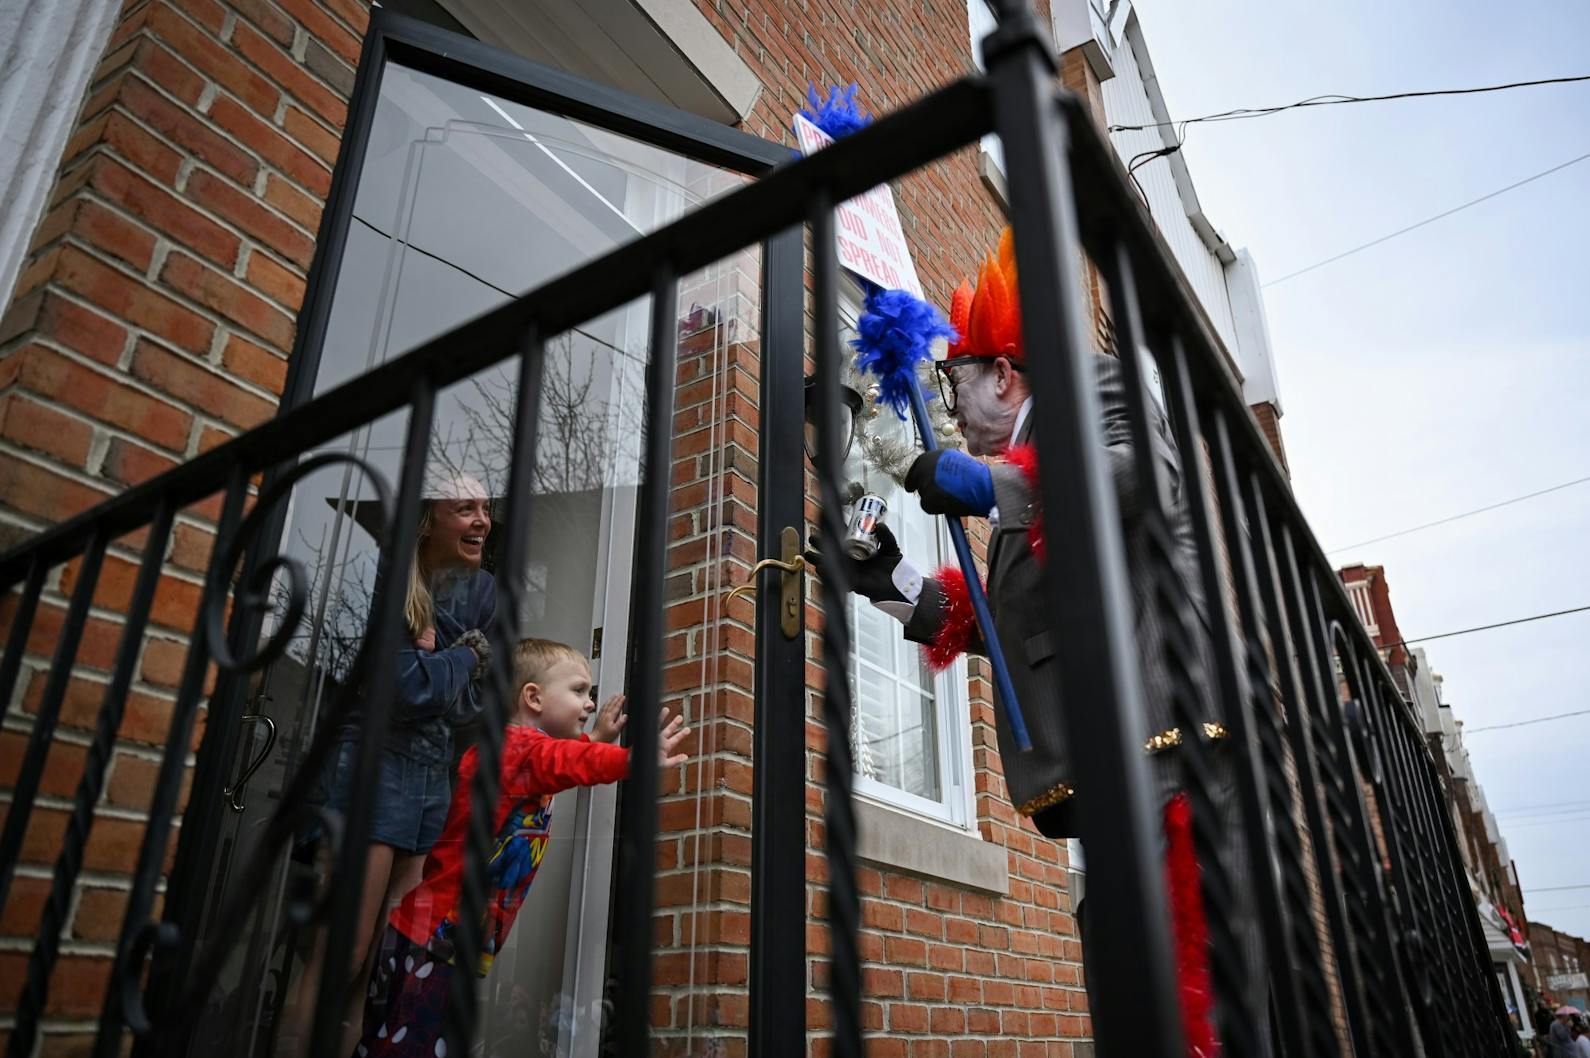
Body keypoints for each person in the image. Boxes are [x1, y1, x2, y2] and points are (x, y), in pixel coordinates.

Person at [820, 228, 1257, 1054]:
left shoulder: (1094, 389)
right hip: (1119, 778)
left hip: (1173, 754)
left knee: (1191, 999)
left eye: (956, 393)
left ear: (1005, 374)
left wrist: (963, 476)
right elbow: (1013, 622)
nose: (953, 417)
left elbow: (1131, 477)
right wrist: (895, 580)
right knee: (1132, 990)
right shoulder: (1025, 484)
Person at [351, 638, 690, 1056]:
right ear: (533, 697)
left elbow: (557, 764)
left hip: (448, 937)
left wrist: (597, 739)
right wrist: (628, 760)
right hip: (433, 936)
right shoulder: (509, 749)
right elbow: (558, 763)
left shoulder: (521, 754)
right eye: (579, 691)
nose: (588, 703)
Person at [284, 474, 498, 1057]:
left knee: (381, 963)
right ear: (429, 520)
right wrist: (464, 655)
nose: (482, 519)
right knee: (344, 951)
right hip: (373, 763)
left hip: (433, 774)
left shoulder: (484, 591)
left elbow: (471, 704)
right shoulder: (385, 575)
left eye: (486, 508)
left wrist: (443, 661)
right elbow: (406, 688)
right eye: (465, 509)